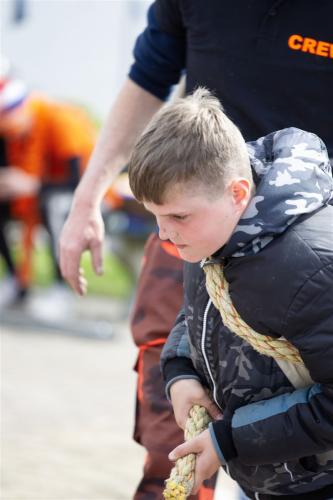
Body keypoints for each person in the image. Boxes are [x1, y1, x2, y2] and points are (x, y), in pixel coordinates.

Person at [59, 1, 333, 498]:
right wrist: (87, 196)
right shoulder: (177, 233)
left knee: (302, 447)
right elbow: (148, 74)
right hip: (196, 219)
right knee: (176, 436)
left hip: (306, 252)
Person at [128, 88, 333, 500]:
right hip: (266, 476)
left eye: (176, 216)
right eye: (155, 216)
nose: (163, 233)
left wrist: (230, 440)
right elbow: (201, 311)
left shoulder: (313, 268)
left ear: (238, 193)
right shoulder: (212, 231)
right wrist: (181, 374)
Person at [0, 76, 96, 307]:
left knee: (54, 204)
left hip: (90, 195)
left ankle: (61, 288)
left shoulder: (60, 119)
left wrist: (31, 185)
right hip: (40, 193)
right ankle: (16, 281)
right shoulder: (12, 132)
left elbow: (80, 182)